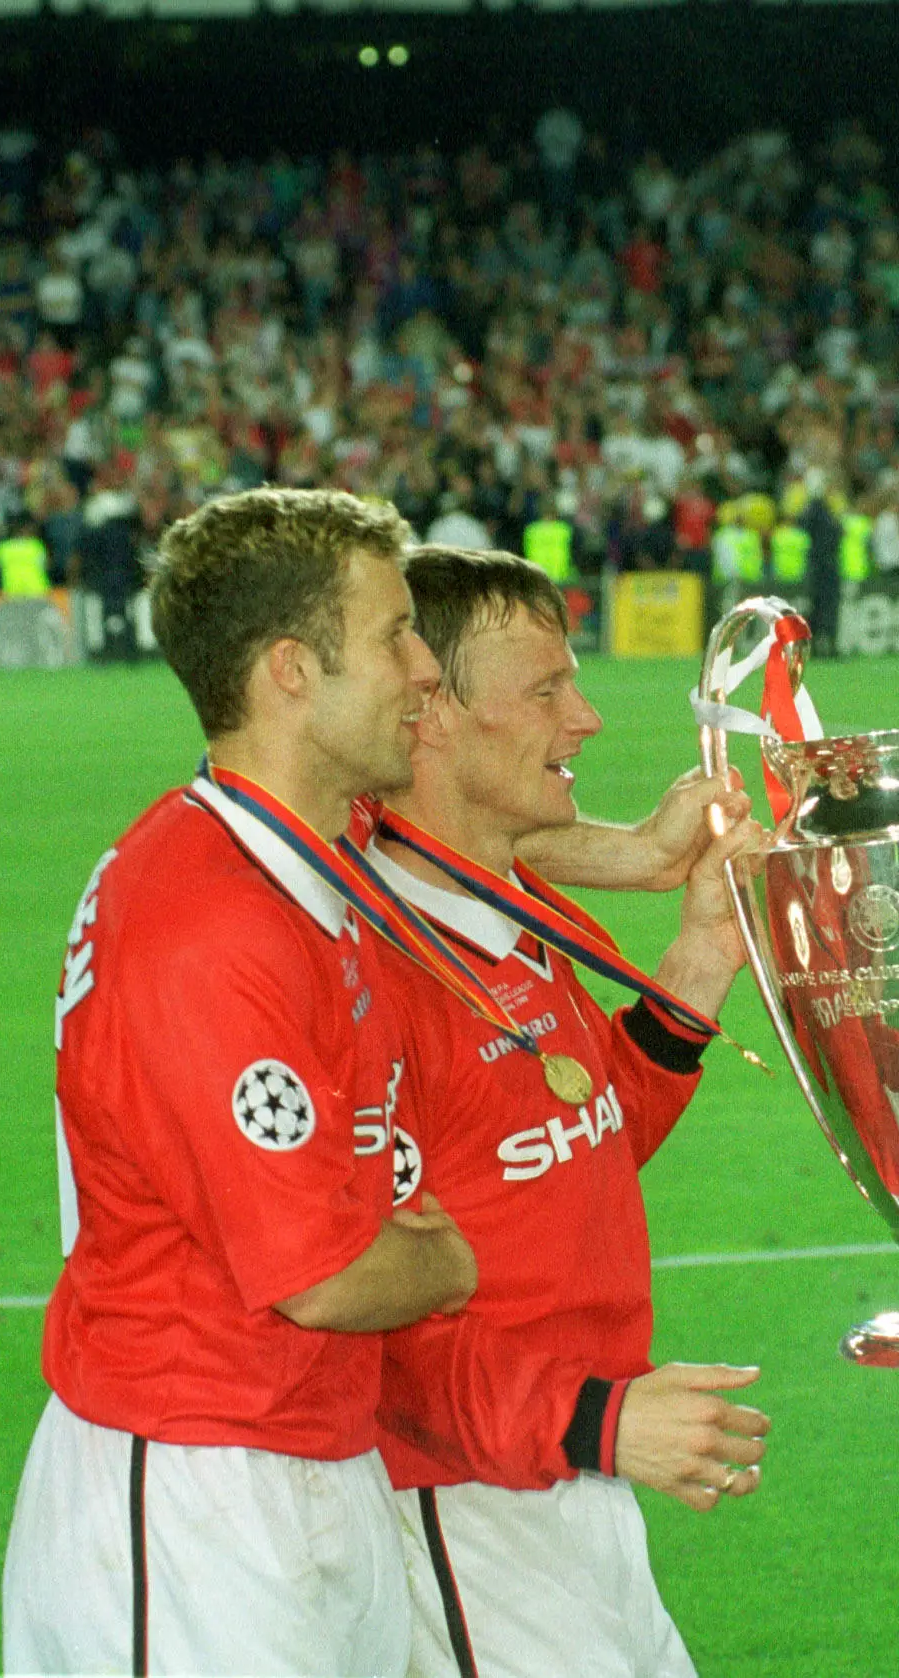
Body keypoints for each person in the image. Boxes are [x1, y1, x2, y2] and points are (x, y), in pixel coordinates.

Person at [2, 488, 479, 1674]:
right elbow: (321, 1275)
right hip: (196, 1493)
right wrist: (445, 1260)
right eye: (395, 634)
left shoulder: (300, 850)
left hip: (308, 1452)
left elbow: (469, 836)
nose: (427, 668)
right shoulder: (209, 923)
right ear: (289, 673)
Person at [365, 547, 772, 1677]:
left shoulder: (515, 905)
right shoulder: (370, 969)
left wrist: (700, 954)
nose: (585, 718)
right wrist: (596, 1419)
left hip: (573, 1481)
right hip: (465, 1500)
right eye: (546, 688)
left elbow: (582, 1141)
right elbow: (359, 1326)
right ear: (429, 710)